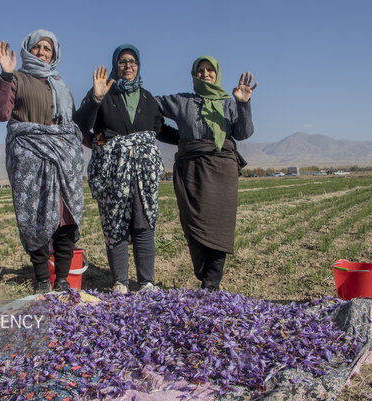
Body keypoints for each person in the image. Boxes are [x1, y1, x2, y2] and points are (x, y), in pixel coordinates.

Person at [74, 44, 178, 293]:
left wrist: (188, 139)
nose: (128, 66)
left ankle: (146, 282)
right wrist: (96, 99)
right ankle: (120, 281)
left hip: (143, 173)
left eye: (132, 61)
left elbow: (160, 130)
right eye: (122, 61)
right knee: (115, 224)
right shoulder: (103, 93)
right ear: (115, 65)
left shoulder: (147, 98)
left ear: (138, 65)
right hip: (113, 171)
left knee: (143, 224)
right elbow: (80, 126)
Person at [0, 29, 83, 293]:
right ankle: (42, 280)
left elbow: (70, 123)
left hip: (63, 160)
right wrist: (6, 74)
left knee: (66, 219)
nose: (41, 52)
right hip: (30, 160)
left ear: (54, 54)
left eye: (47, 48)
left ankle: (62, 280)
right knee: (35, 219)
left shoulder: (60, 85)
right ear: (28, 49)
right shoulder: (16, 78)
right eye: (37, 47)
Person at [156, 55, 257, 291]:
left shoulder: (229, 103)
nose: (205, 74)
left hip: (222, 170)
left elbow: (243, 133)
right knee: (192, 223)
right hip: (190, 170)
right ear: (194, 74)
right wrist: (173, 136)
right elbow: (150, 106)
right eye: (200, 70)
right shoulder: (182, 101)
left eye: (210, 70)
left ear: (217, 73)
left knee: (220, 226)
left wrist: (243, 103)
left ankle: (211, 284)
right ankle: (204, 272)